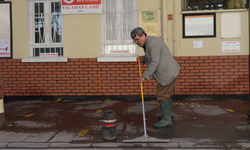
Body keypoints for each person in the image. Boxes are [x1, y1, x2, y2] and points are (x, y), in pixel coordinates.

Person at [131, 27, 180, 128]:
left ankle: (166, 120)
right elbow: (153, 56)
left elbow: (154, 62)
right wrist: (143, 58)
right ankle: (169, 114)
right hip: (169, 71)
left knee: (162, 95)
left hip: (167, 73)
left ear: (143, 35)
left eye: (137, 39)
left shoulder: (152, 44)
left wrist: (144, 77)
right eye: (134, 40)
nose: (136, 42)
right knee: (167, 94)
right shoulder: (149, 42)